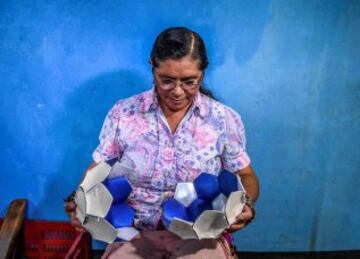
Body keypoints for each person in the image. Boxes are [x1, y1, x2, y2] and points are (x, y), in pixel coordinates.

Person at [64, 27, 259, 259]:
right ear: (152, 68)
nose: (177, 92)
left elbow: (246, 175)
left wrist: (244, 204)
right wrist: (79, 200)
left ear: (202, 74)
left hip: (200, 233)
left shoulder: (223, 119)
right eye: (166, 80)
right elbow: (98, 169)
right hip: (134, 232)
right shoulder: (124, 113)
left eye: (189, 81)